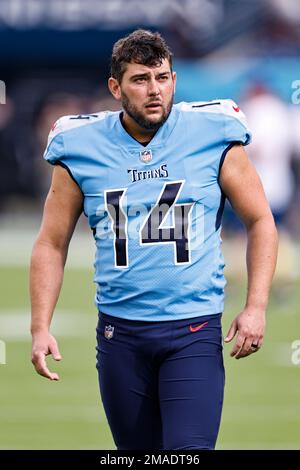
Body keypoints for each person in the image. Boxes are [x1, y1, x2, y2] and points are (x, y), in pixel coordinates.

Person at [30, 29, 278, 450]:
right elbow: (52, 242)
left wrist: (255, 306)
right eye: (140, 79)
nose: (154, 90)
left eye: (162, 78)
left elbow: (260, 220)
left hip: (193, 329)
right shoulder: (80, 144)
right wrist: (40, 326)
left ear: (174, 80)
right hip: (119, 335)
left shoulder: (213, 130)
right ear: (115, 87)